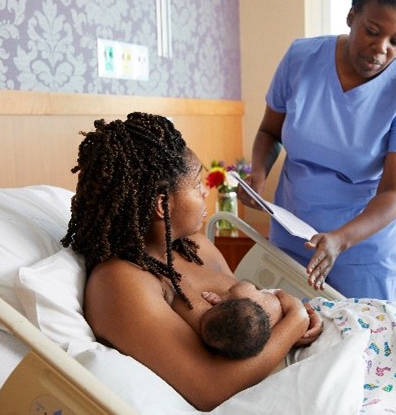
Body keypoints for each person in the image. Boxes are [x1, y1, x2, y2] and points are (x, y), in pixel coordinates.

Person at [61, 112, 322, 411]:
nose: (205, 190)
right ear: (162, 205)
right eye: (197, 183)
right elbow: (208, 388)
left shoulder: (195, 247)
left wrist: (291, 310)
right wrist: (295, 321)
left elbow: (251, 314)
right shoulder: (122, 281)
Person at [244, 0, 396, 301]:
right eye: (372, 31)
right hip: (293, 235)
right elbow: (269, 132)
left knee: (359, 345)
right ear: (350, 17)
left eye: (395, 41)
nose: (381, 48)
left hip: (363, 250)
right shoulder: (300, 58)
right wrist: (257, 173)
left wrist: (340, 239)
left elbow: (394, 194)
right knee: (285, 335)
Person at [201, 281, 396, 412]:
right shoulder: (252, 305)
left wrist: (298, 314)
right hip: (326, 333)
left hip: (331, 322)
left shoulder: (254, 319)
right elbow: (250, 288)